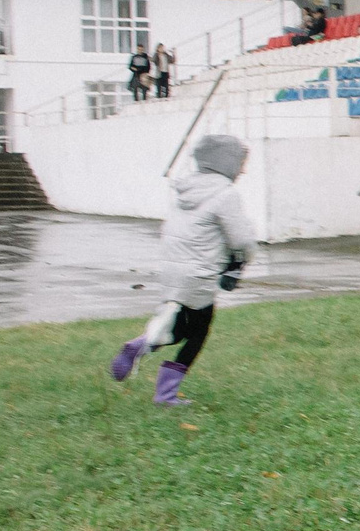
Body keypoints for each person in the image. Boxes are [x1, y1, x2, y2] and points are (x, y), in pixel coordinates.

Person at [108, 133, 257, 406]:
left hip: (172, 270)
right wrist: (241, 262)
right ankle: (163, 390)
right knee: (197, 333)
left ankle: (141, 349)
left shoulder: (185, 189)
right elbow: (241, 240)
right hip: (198, 274)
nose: (243, 170)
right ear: (226, 162)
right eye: (240, 163)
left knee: (180, 328)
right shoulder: (225, 194)